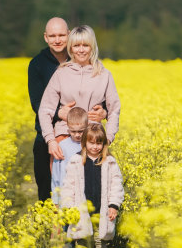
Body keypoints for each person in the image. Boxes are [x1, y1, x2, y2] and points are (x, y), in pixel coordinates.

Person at [28, 18, 105, 202]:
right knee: (49, 191)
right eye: (52, 36)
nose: (57, 40)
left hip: (81, 137)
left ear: (69, 34)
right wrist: (58, 114)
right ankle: (50, 230)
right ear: (46, 38)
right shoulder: (37, 64)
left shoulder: (81, 56)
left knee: (86, 190)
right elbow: (38, 104)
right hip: (47, 138)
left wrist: (105, 113)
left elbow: (100, 97)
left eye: (61, 35)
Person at [39, 25, 120, 163]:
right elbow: (45, 109)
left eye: (86, 45)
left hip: (94, 139)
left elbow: (114, 110)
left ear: (92, 47)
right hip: (65, 135)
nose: (81, 50)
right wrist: (51, 141)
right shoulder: (60, 73)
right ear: (70, 48)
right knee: (63, 183)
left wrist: (107, 139)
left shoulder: (104, 75)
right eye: (76, 45)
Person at [61, 123, 124, 248]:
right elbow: (68, 186)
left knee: (100, 238)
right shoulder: (76, 160)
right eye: (91, 143)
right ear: (84, 142)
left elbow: (116, 185)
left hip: (101, 208)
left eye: (98, 143)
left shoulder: (109, 161)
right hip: (81, 208)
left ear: (104, 144)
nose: (95, 147)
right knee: (81, 238)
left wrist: (113, 205)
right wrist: (69, 207)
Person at [51, 107, 88, 205]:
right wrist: (56, 199)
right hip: (66, 196)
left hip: (85, 195)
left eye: (81, 131)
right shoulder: (62, 146)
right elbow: (56, 174)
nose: (77, 135)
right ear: (67, 127)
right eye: (73, 131)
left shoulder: (90, 145)